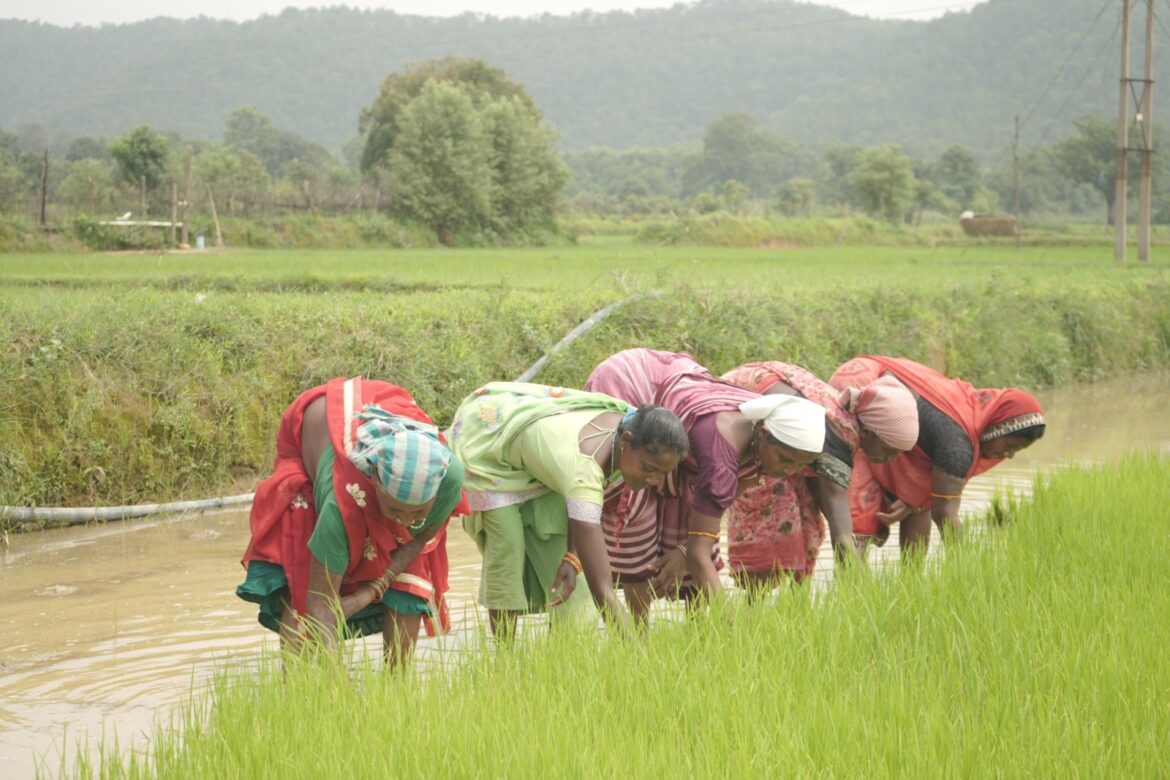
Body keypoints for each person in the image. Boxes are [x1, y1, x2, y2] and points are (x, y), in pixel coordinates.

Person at [236, 376, 468, 667]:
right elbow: (320, 602)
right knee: (300, 583)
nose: (406, 520)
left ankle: (397, 687)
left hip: (384, 411)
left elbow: (417, 541)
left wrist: (369, 592)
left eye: (417, 514)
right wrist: (341, 693)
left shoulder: (449, 478)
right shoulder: (342, 500)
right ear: (375, 483)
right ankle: (300, 690)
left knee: (411, 580)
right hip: (314, 426)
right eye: (397, 510)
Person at [584, 349, 826, 624]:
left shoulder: (762, 438)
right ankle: (637, 638)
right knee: (637, 512)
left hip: (675, 386)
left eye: (798, 466)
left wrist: (684, 550)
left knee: (699, 531)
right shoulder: (721, 457)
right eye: (785, 459)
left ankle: (699, 635)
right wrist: (735, 626)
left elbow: (711, 518)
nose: (787, 471)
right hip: (631, 382)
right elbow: (700, 553)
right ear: (764, 435)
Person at [448, 381, 687, 639]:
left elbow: (580, 511)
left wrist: (572, 556)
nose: (653, 481)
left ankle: (560, 651)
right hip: (487, 442)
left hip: (543, 453)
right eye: (649, 469)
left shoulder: (634, 424)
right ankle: (503, 658)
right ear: (626, 442)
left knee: (564, 559)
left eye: (662, 473)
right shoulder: (582, 469)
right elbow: (604, 590)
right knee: (508, 549)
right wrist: (641, 657)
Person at [721, 361, 918, 590]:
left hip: (779, 424)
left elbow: (826, 501)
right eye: (889, 450)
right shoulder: (839, 436)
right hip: (741, 408)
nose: (891, 460)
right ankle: (754, 607)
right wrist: (864, 596)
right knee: (772, 520)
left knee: (807, 518)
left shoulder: (842, 423)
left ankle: (795, 603)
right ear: (867, 433)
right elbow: (843, 535)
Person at [830, 355, 1046, 556]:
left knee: (921, 502)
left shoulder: (969, 407)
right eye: (1009, 445)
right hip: (860, 384)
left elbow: (928, 497)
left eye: (1016, 451)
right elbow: (945, 514)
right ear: (998, 425)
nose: (1008, 455)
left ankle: (912, 579)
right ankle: (854, 583)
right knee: (859, 513)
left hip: (879, 387)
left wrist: (914, 500)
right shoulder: (957, 447)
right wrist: (968, 569)